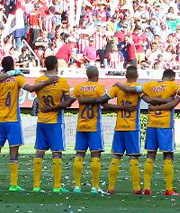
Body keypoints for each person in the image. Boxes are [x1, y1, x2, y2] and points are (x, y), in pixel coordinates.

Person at [0, 57, 54, 192]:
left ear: (2, 66)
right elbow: (31, 88)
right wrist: (47, 82)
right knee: (13, 153)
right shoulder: (18, 78)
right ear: (13, 65)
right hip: (13, 120)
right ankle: (13, 185)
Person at [32, 56, 75, 193]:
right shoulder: (62, 82)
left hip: (41, 121)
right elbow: (68, 103)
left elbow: (36, 94)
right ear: (56, 65)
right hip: (55, 122)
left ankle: (36, 186)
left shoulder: (39, 81)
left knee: (39, 152)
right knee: (57, 154)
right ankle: (57, 186)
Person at [72, 66, 112, 194]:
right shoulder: (100, 88)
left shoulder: (79, 88)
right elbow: (105, 103)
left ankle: (77, 186)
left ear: (87, 75)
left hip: (81, 125)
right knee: (95, 154)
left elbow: (70, 100)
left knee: (79, 154)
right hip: (94, 126)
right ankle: (94, 187)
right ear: (97, 75)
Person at [107, 66, 144, 195]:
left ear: (125, 75)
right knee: (133, 158)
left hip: (119, 127)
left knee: (116, 157)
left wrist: (119, 107)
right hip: (133, 128)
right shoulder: (139, 88)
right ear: (137, 75)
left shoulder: (117, 88)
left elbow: (104, 103)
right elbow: (149, 100)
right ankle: (136, 188)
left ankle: (111, 187)